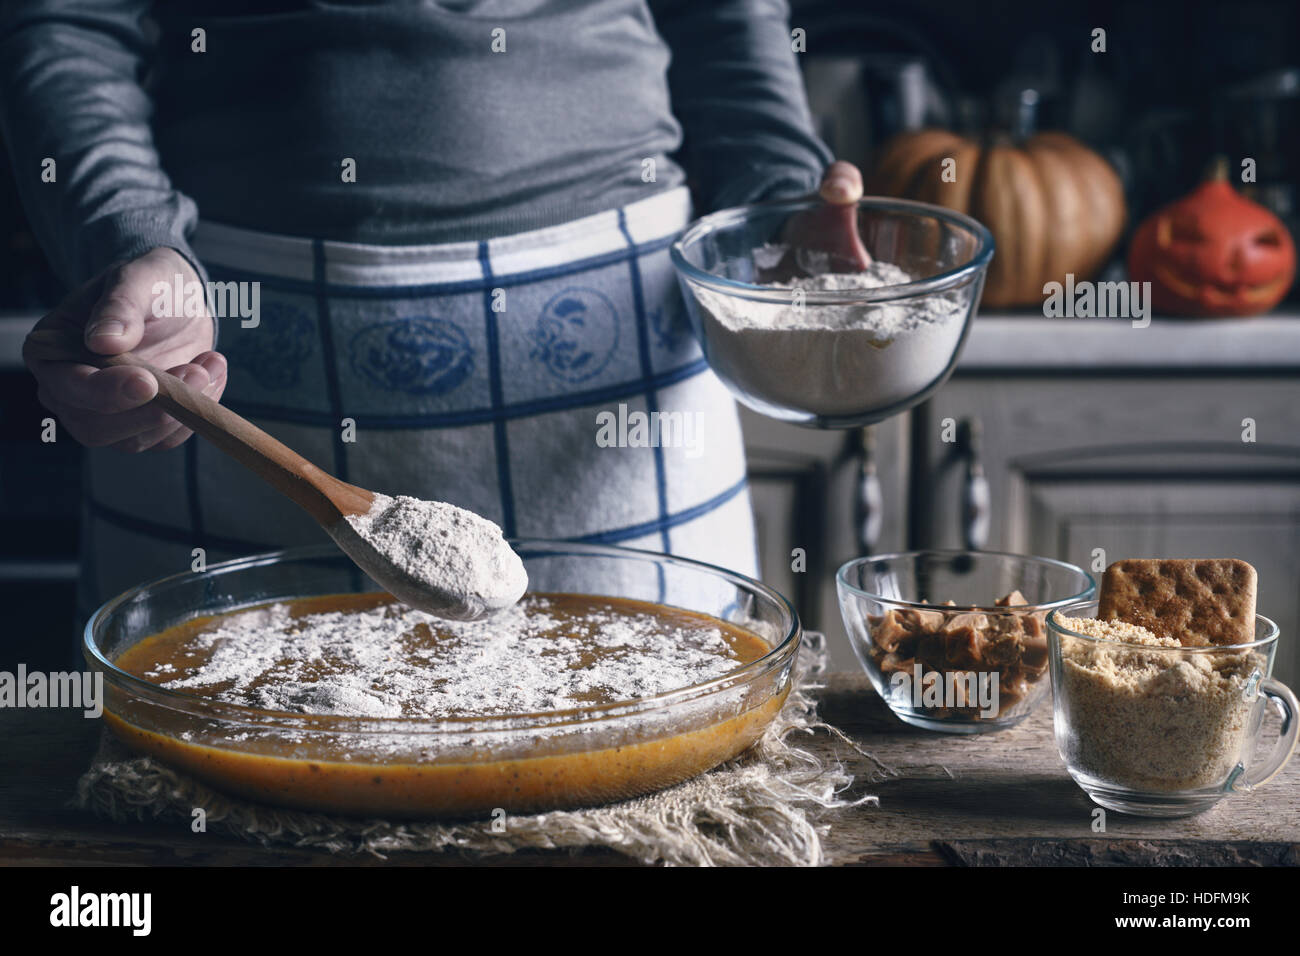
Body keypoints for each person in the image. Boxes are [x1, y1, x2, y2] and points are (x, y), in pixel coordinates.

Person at [1, 0, 865, 622]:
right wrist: (124, 238)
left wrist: (773, 193)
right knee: (208, 799)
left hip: (619, 359)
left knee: (649, 786)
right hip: (223, 356)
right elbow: (67, 20)